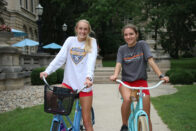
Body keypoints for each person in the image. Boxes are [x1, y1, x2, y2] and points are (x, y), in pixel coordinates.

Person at [40, 19, 97, 131]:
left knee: (86, 121)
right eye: (80, 28)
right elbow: (60, 58)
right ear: (76, 29)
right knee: (53, 102)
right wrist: (47, 71)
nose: (83, 31)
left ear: (88, 30)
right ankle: (60, 125)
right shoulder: (70, 40)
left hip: (84, 86)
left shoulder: (92, 42)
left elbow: (91, 61)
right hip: (69, 83)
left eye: (85, 29)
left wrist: (88, 77)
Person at [110, 24, 169, 131]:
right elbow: (118, 64)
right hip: (126, 83)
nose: (129, 37)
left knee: (146, 115)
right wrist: (115, 74)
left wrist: (161, 75)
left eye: (131, 34)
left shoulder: (142, 45)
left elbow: (150, 61)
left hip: (141, 83)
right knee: (127, 100)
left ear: (136, 34)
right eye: (126, 35)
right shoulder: (122, 49)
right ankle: (124, 125)